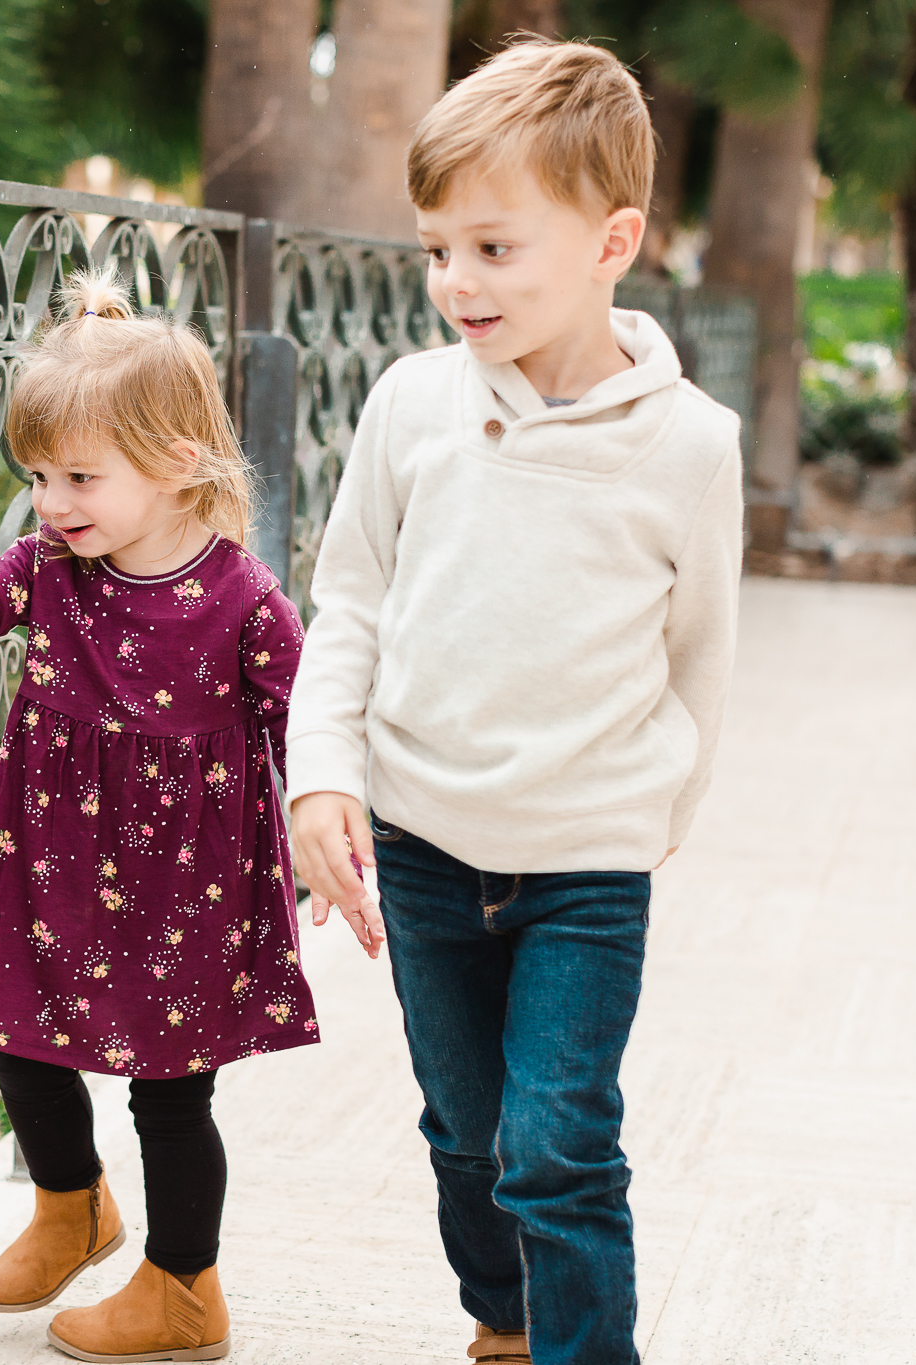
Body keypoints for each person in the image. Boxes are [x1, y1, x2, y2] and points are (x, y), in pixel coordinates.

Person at [285, 39, 744, 1365]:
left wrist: (665, 807)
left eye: (493, 249)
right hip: (425, 844)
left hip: (587, 862)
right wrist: (324, 773)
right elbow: (352, 600)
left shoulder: (688, 447)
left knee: (560, 1143)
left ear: (612, 241)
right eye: (437, 251)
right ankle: (505, 1314)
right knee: (469, 1133)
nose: (455, 284)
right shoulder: (413, 405)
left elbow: (700, 651)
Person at [0, 272, 311, 1364]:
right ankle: (69, 1206)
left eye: (78, 475)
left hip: (187, 888)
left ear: (176, 464)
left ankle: (181, 1287)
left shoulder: (243, 603)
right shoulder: (48, 574)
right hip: (55, 860)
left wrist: (337, 836)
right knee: (22, 1042)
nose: (49, 500)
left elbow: (306, 730)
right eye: (36, 474)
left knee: (170, 1099)